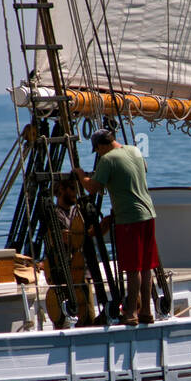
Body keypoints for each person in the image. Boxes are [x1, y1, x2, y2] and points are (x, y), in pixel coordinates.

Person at [75, 129, 159, 326]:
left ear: (102, 146)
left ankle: (130, 313)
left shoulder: (108, 160)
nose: (98, 154)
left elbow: (93, 187)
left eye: (97, 151)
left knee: (132, 267)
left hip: (129, 218)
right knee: (146, 267)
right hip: (148, 213)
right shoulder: (135, 151)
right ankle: (146, 311)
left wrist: (80, 176)